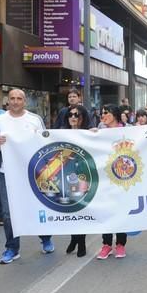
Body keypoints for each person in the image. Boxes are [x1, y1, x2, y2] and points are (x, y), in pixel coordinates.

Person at [0, 89, 54, 264]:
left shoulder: (34, 119)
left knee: (37, 207)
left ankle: (45, 239)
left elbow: (45, 141)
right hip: (6, 174)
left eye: (19, 99)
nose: (15, 102)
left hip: (32, 173)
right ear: (8, 101)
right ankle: (12, 248)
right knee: (8, 213)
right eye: (12, 98)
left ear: (25, 101)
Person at [94, 104, 130, 259]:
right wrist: (90, 135)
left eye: (106, 112)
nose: (103, 115)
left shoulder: (128, 130)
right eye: (102, 113)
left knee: (121, 210)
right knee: (106, 211)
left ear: (115, 114)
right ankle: (107, 244)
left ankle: (121, 244)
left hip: (123, 176)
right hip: (104, 179)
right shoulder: (99, 131)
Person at [59, 104, 91, 257]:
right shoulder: (60, 134)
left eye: (76, 115)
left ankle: (81, 242)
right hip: (66, 176)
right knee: (70, 210)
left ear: (83, 118)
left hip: (83, 175)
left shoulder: (89, 134)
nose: (73, 117)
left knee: (81, 209)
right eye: (70, 115)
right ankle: (74, 239)